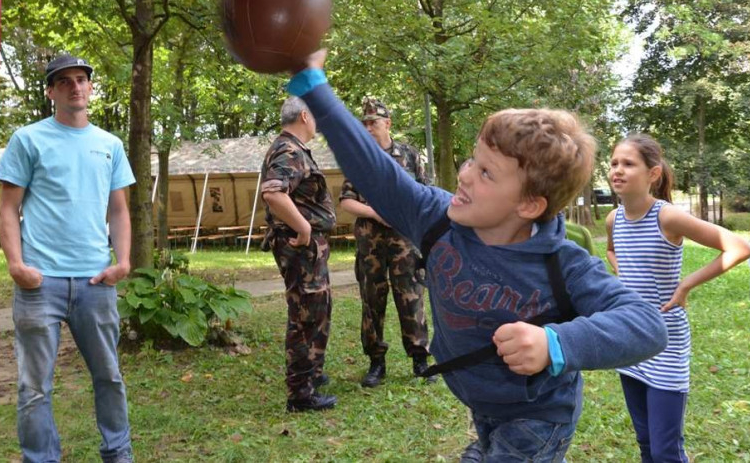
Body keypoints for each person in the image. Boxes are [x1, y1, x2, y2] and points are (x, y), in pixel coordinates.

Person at [285, 50, 668, 462]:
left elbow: (647, 326)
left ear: (528, 205)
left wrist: (554, 343)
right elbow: (375, 171)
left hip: (538, 418)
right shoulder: (436, 219)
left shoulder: (563, 265)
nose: (465, 175)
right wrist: (313, 84)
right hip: (481, 404)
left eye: (486, 173)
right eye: (473, 160)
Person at [0, 54, 136, 463]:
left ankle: (118, 454)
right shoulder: (28, 139)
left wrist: (123, 261)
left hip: (96, 282)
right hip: (40, 284)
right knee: (34, 387)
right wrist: (16, 265)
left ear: (90, 87)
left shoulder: (110, 145)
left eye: (81, 79)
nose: (75, 86)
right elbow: (8, 208)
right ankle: (41, 459)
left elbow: (119, 210)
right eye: (65, 81)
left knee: (109, 376)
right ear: (51, 92)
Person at [605, 133, 750, 463]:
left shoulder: (667, 217)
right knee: (645, 443)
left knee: (665, 451)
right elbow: (613, 251)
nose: (617, 170)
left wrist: (685, 286)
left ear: (653, 173)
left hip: (666, 341)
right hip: (631, 338)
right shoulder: (613, 218)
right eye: (614, 163)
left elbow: (739, 248)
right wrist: (624, 273)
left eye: (628, 163)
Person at [338, 97, 433, 387]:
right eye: (364, 123)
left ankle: (420, 359)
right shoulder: (358, 159)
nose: (367, 128)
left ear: (388, 123)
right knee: (372, 301)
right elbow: (346, 201)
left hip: (405, 242)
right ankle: (376, 362)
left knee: (411, 298)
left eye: (373, 123)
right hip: (371, 245)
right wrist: (376, 213)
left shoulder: (410, 155)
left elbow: (425, 194)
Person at [260, 96, 337, 412]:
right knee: (305, 315)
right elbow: (273, 193)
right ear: (305, 115)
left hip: (308, 249)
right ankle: (300, 394)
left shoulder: (293, 149)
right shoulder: (289, 150)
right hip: (300, 247)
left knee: (317, 310)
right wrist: (303, 227)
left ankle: (312, 373)